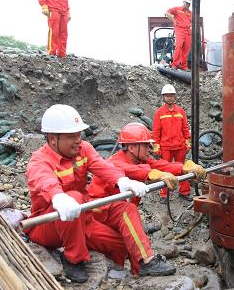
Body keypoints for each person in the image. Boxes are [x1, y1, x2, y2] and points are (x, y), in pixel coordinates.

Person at [25, 105, 176, 283]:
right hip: (48, 223)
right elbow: (43, 180)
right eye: (71, 136)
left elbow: (103, 166)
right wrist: (58, 197)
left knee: (123, 229)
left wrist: (122, 180)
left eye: (79, 135)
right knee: (74, 197)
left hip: (83, 218)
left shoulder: (84, 149)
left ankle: (142, 265)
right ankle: (73, 259)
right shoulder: (39, 160)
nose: (78, 140)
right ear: (52, 139)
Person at [88, 122, 206, 207]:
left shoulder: (140, 159)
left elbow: (159, 165)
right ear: (132, 147)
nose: (149, 149)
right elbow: (131, 170)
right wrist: (153, 174)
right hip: (100, 211)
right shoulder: (115, 162)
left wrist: (184, 168)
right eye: (145, 145)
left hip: (120, 210)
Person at [152, 84, 193, 202]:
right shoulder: (159, 113)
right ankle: (164, 194)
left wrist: (187, 142)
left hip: (180, 146)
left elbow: (185, 128)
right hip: (166, 147)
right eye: (167, 96)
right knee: (165, 171)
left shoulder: (180, 111)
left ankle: (184, 192)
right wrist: (156, 146)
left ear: (174, 97)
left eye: (171, 95)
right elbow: (156, 131)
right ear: (163, 97)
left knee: (182, 169)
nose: (169, 98)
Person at [165, 0, 192, 70]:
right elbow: (167, 12)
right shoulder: (177, 9)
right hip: (180, 30)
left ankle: (184, 66)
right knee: (178, 47)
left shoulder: (190, 12)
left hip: (188, 31)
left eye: (189, 4)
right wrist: (174, 21)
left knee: (186, 49)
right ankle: (174, 65)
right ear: (183, 2)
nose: (188, 5)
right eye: (187, 3)